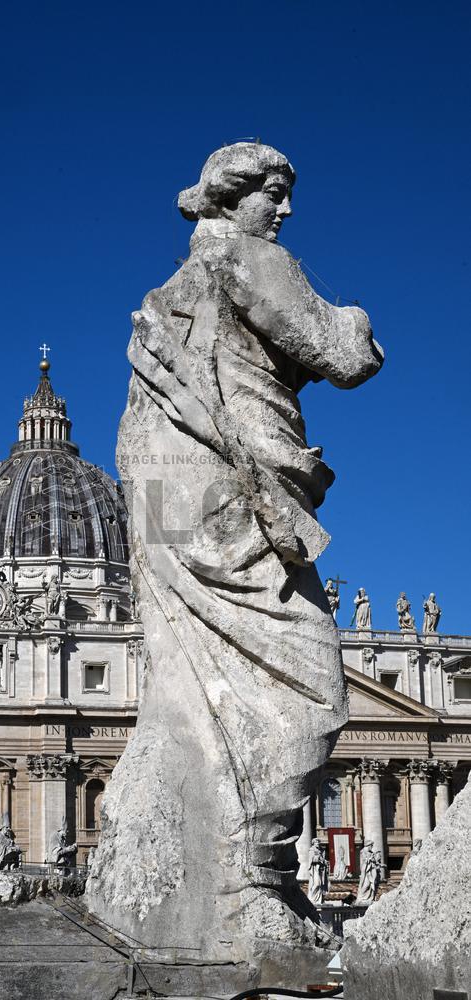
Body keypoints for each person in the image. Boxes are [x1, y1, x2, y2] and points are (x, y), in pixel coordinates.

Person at [89, 142, 384, 947]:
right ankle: (250, 874)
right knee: (310, 683)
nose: (285, 210)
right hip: (225, 491)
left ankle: (203, 873)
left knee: (190, 684)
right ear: (230, 195)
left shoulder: (164, 297)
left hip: (162, 498)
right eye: (274, 193)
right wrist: (358, 320)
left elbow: (136, 437)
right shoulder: (247, 260)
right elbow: (346, 357)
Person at [356, 840, 382, 905]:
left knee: (371, 885)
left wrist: (376, 862)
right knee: (366, 884)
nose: (372, 847)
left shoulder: (370, 853)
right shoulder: (363, 852)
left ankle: (369, 897)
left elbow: (374, 861)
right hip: (366, 871)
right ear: (368, 845)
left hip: (371, 871)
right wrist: (370, 859)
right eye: (371, 845)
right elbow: (364, 862)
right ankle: (361, 897)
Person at [307, 838, 328, 905]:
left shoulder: (321, 850)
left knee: (321, 884)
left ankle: (319, 899)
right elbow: (311, 859)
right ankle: (312, 898)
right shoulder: (311, 850)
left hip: (321, 870)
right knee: (317, 883)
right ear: (313, 843)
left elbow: (323, 859)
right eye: (316, 842)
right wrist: (319, 858)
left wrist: (325, 861)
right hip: (315, 869)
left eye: (318, 842)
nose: (318, 843)